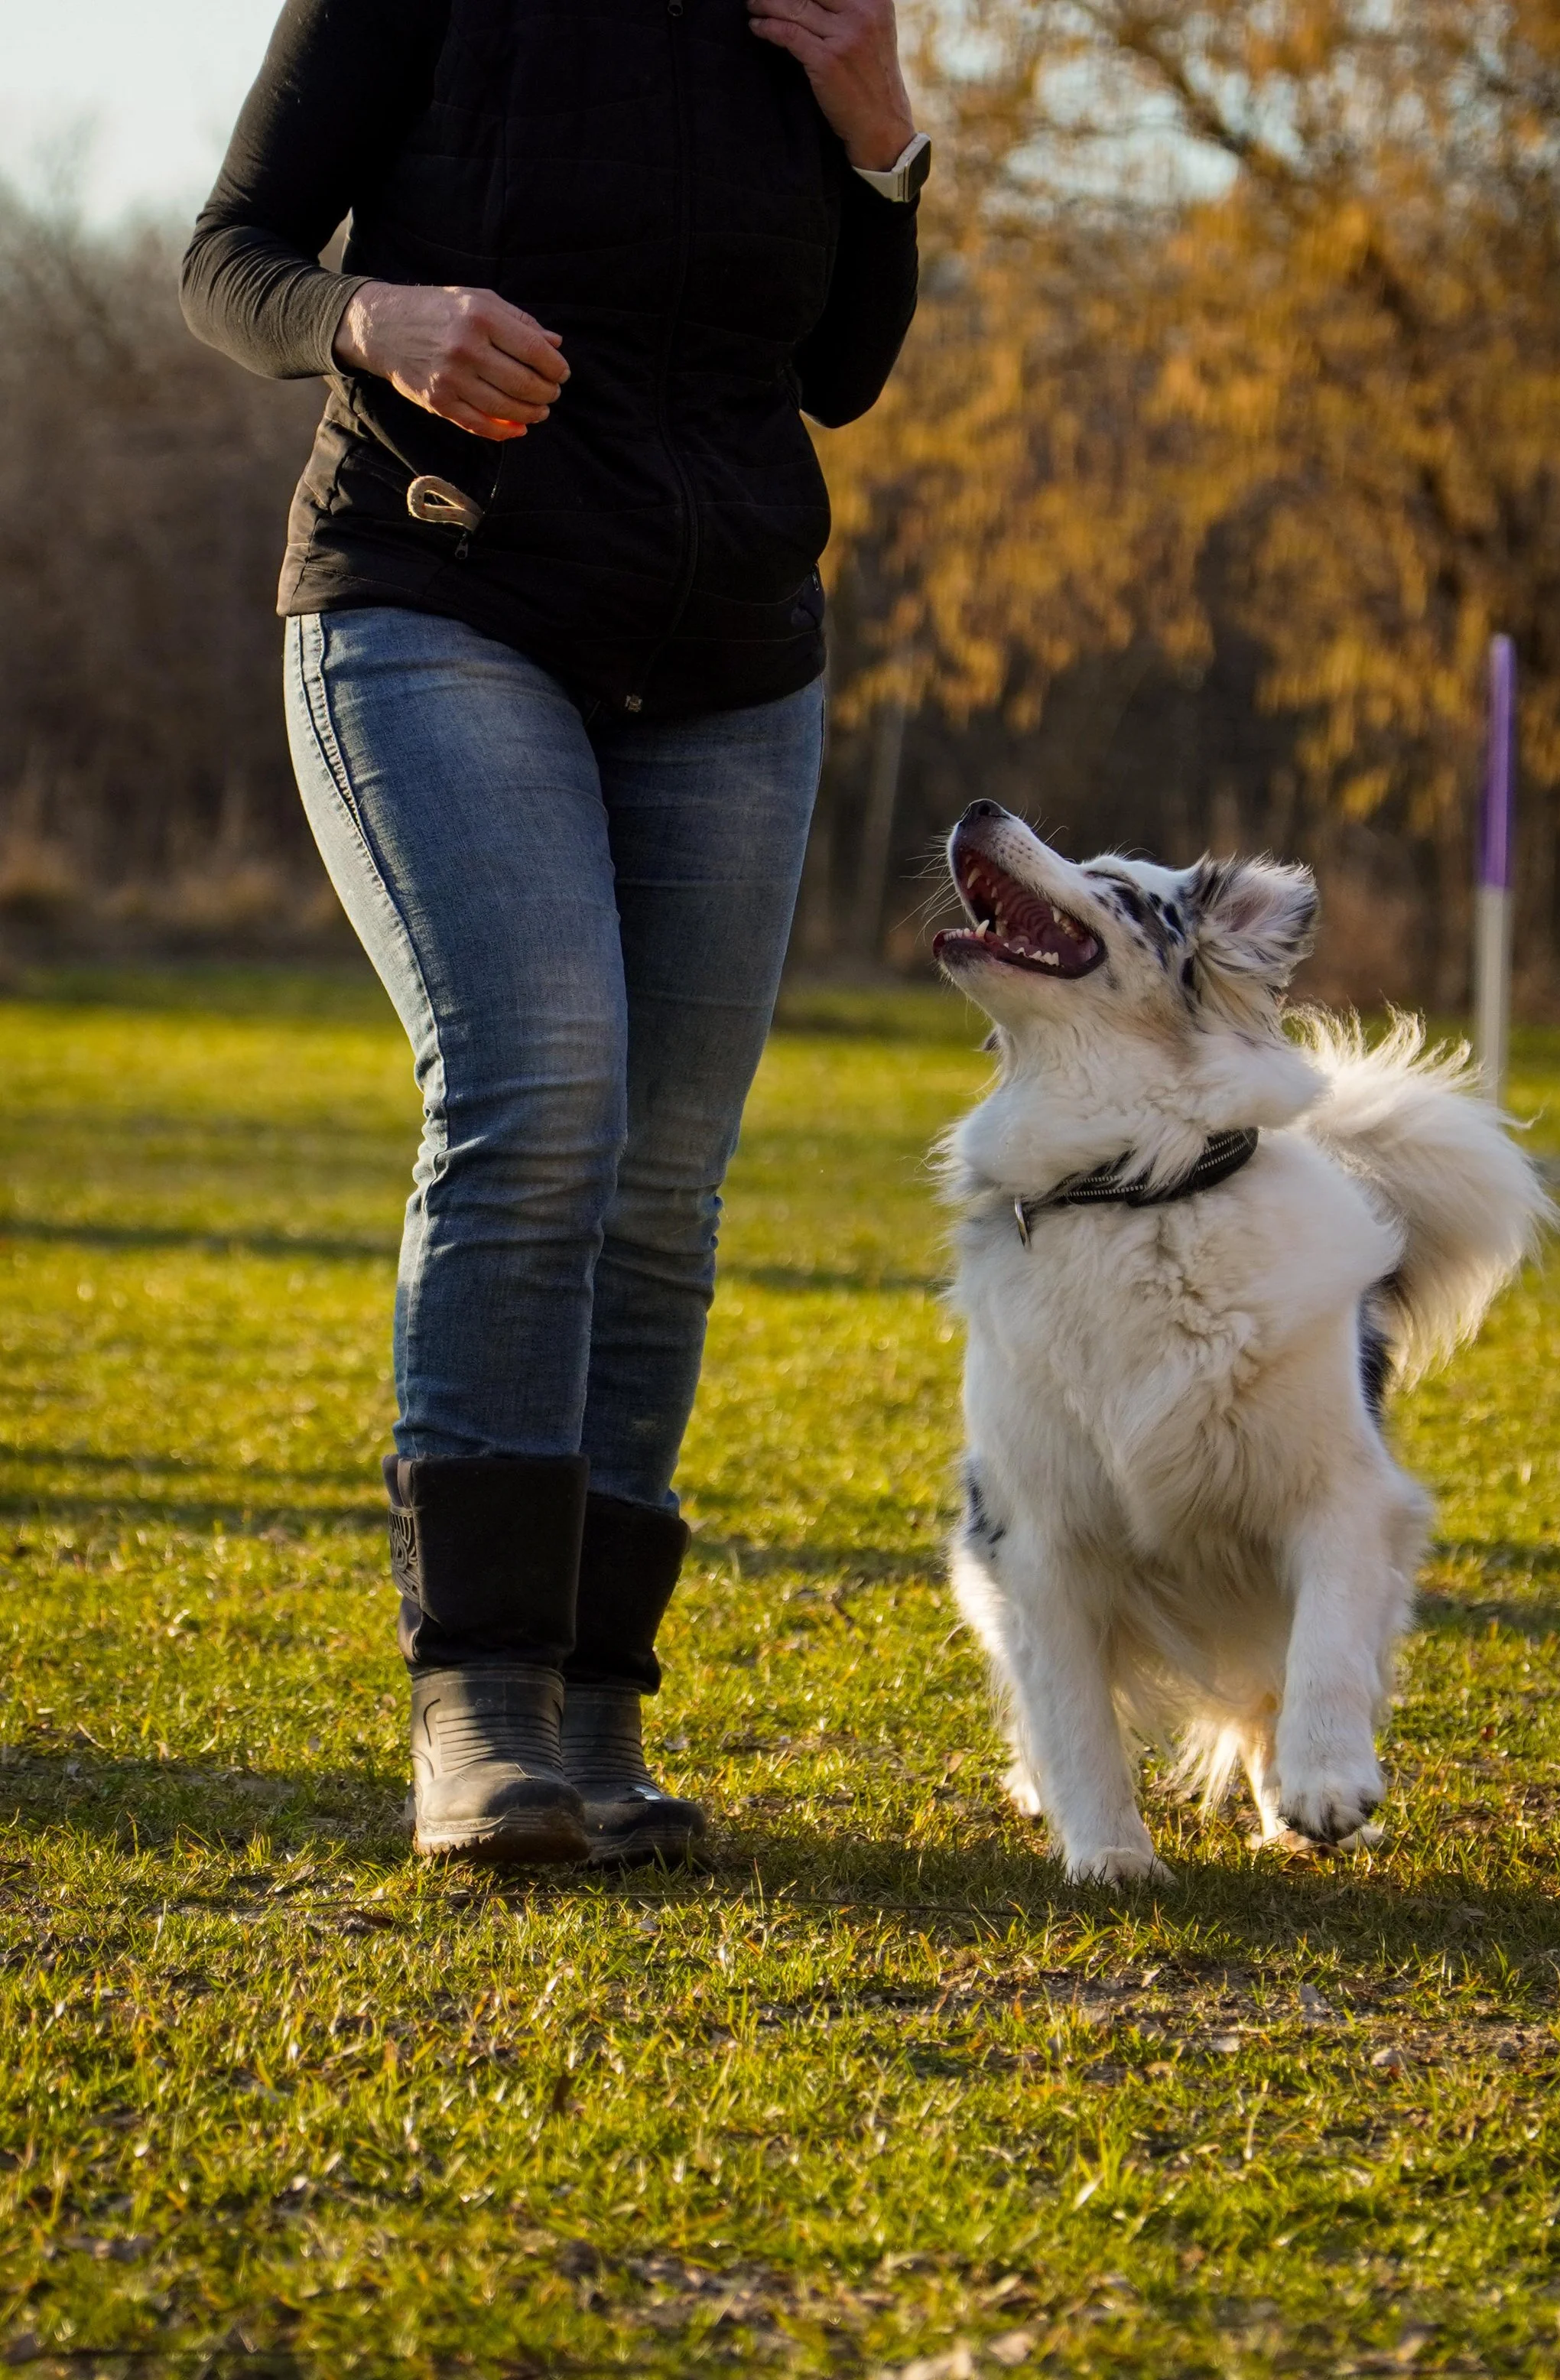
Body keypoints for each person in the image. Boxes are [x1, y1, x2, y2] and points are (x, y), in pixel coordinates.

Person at [182, 0, 926, 1868]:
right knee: (539, 1092)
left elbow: (838, 373)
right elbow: (228, 258)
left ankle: (596, 1718)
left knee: (662, 1183)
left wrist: (879, 139)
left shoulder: (808, 12)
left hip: (730, 663)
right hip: (436, 591)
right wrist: (374, 316)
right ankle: (482, 1706)